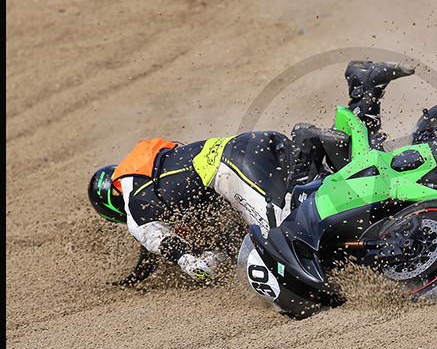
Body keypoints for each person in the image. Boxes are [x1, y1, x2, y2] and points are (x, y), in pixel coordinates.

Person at [88, 61, 414, 284]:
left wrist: (195, 265)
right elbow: (223, 235)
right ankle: (364, 88)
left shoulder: (136, 209)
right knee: (349, 181)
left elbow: (159, 241)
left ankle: (307, 151)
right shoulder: (163, 171)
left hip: (239, 168)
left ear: (114, 204)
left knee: (286, 247)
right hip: (257, 149)